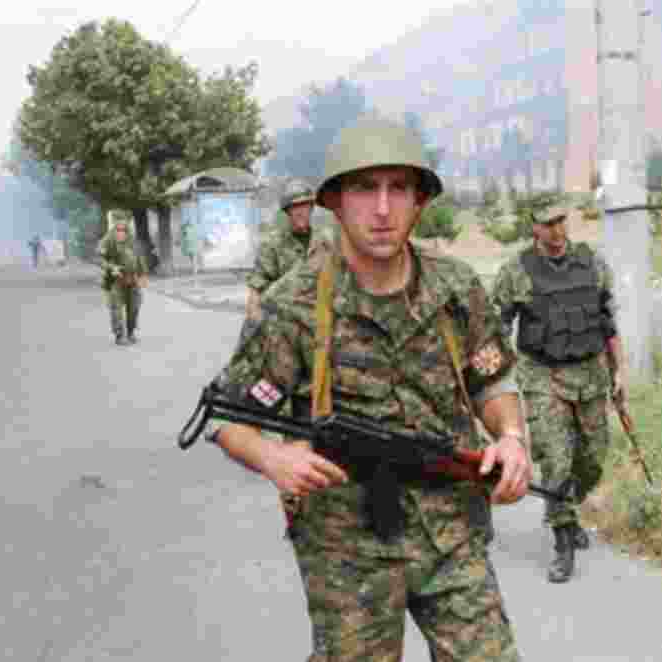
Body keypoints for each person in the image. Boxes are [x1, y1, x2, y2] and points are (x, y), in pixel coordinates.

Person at [206, 118, 532, 660]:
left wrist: (513, 437)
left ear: (419, 201)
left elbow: (492, 378)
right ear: (334, 201)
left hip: (452, 533)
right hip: (346, 550)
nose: (382, 208)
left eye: (398, 188)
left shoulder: (455, 288)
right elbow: (227, 417)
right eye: (364, 188)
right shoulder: (294, 306)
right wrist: (273, 458)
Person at [491, 202, 624, 583]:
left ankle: (565, 504)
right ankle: (563, 538)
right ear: (534, 228)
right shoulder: (516, 271)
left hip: (590, 374)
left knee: (593, 459)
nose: (555, 230)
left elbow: (608, 322)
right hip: (542, 375)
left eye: (560, 221)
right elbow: (495, 327)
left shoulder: (592, 264)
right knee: (556, 460)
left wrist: (620, 373)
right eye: (547, 223)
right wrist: (494, 383)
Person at [245, 177, 316, 320]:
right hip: (284, 323)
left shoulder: (323, 241)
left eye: (304, 205)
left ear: (311, 208)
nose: (300, 211)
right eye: (295, 206)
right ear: (287, 211)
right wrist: (255, 321)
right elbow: (257, 287)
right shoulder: (273, 244)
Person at [98, 217, 148, 345]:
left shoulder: (133, 242)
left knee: (134, 308)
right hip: (116, 280)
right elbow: (101, 259)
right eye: (118, 230)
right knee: (116, 310)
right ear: (114, 231)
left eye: (123, 231)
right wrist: (111, 267)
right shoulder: (109, 241)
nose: (120, 233)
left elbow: (140, 259)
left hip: (133, 280)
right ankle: (119, 335)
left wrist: (143, 276)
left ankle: (131, 332)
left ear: (127, 232)